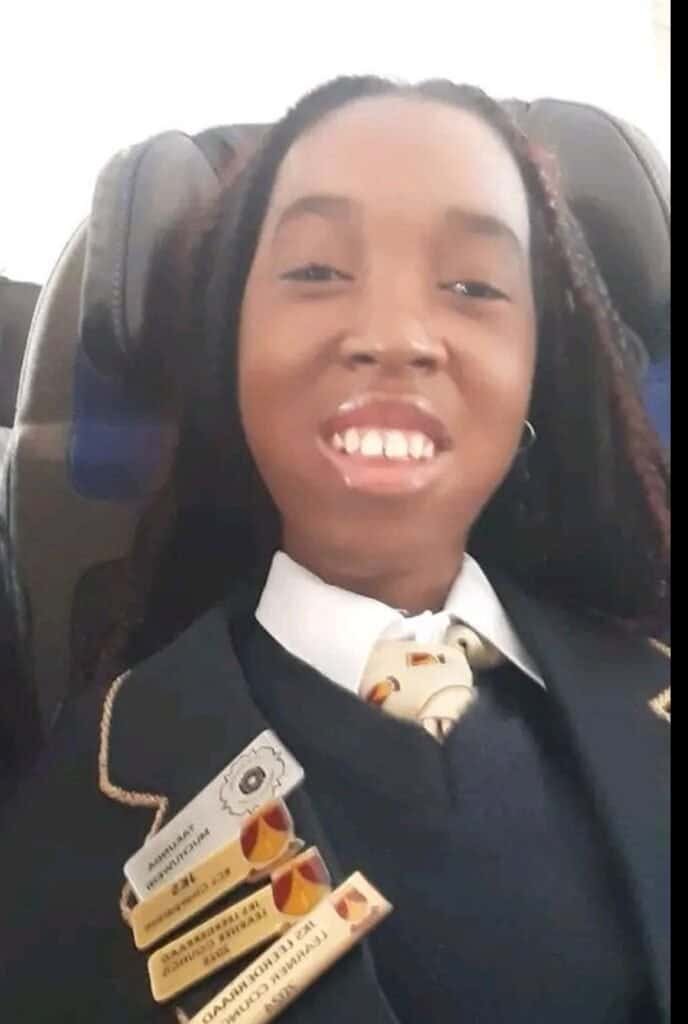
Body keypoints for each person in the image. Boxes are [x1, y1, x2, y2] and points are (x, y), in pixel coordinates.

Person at [0, 77, 669, 1023]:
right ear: (230, 344)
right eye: (316, 271)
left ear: (537, 370)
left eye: (473, 286)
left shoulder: (651, 689)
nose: (393, 340)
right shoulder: (86, 794)